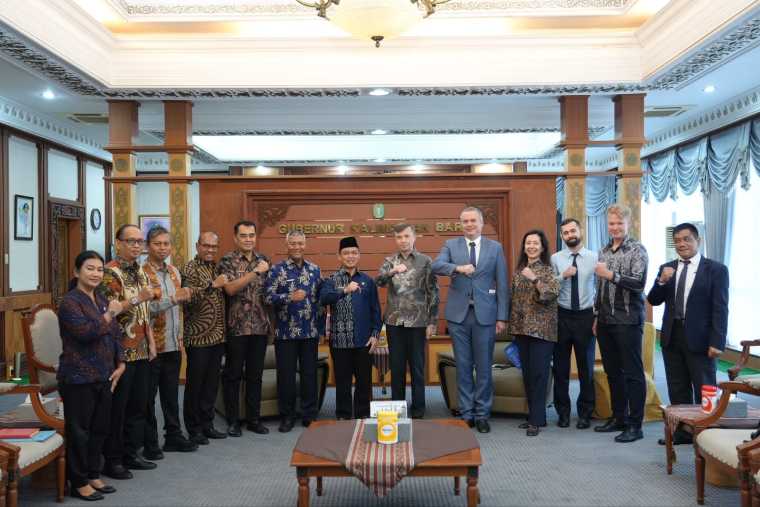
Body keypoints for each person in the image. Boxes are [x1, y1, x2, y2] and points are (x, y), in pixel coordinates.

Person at [647, 222, 729, 445]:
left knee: (705, 388)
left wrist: (717, 341)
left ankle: (706, 433)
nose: (681, 244)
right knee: (677, 386)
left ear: (697, 240)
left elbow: (720, 308)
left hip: (701, 339)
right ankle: (683, 431)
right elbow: (653, 299)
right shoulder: (667, 267)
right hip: (672, 336)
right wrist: (661, 281)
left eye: (686, 239)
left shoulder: (716, 270)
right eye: (677, 241)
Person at [432, 206, 509, 433]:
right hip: (459, 317)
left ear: (481, 223)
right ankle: (467, 413)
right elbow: (436, 266)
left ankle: (482, 413)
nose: (469, 225)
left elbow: (502, 284)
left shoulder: (495, 248)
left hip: (486, 316)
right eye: (465, 221)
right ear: (461, 224)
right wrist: (458, 268)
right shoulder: (451, 245)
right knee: (463, 367)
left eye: (473, 220)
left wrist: (502, 317)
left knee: (484, 367)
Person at [58, 250, 125, 500]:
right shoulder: (69, 302)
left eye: (99, 269)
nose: (96, 274)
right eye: (90, 268)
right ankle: (78, 481)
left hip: (104, 373)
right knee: (79, 431)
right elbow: (86, 333)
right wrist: (109, 314)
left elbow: (115, 332)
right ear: (77, 272)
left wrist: (121, 362)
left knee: (100, 428)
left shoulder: (101, 298)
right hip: (78, 376)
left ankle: (93, 474)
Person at [99, 224, 157, 479]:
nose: (136, 245)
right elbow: (107, 312)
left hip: (142, 349)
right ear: (118, 243)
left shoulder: (140, 271)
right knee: (118, 409)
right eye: (131, 241)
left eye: (139, 241)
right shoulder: (109, 273)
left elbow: (145, 312)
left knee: (138, 406)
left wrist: (152, 341)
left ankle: (132, 454)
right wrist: (136, 298)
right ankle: (113, 460)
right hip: (119, 352)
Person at [593, 203, 649, 443]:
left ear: (628, 223)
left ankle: (636, 425)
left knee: (633, 374)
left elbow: (638, 283)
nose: (615, 227)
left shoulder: (638, 250)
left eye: (619, 223)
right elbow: (599, 287)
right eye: (611, 223)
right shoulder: (603, 251)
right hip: (605, 320)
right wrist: (596, 315)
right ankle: (619, 418)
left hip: (628, 320)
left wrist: (611, 275)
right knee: (613, 372)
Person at [142, 226, 197, 457]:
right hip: (150, 346)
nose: (162, 248)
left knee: (171, 395)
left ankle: (174, 436)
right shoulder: (141, 273)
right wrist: (173, 299)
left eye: (166, 244)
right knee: (147, 398)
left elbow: (178, 308)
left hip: (173, 343)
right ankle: (150, 443)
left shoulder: (174, 271)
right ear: (148, 246)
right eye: (157, 244)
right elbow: (144, 309)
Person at [376, 223, 439, 419]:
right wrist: (392, 272)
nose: (403, 240)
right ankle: (398, 408)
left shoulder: (425, 261)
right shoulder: (390, 261)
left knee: (417, 367)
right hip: (394, 322)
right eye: (399, 237)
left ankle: (419, 408)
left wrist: (432, 321)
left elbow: (433, 292)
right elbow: (378, 281)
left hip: (418, 323)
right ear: (395, 239)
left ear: (414, 237)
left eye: (406, 236)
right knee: (396, 368)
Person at [264, 231, 324, 432]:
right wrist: (289, 297)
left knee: (309, 375)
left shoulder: (315, 270)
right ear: (287, 245)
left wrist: (321, 329)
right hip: (285, 334)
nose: (297, 247)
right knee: (286, 376)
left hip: (309, 332)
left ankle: (309, 414)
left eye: (300, 243)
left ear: (305, 245)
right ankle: (287, 416)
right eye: (293, 243)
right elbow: (267, 297)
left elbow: (321, 301)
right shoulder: (277, 270)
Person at [218, 220, 272, 437]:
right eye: (243, 235)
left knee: (255, 376)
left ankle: (253, 419)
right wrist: (255, 273)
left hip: (260, 327)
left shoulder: (264, 260)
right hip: (236, 328)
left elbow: (269, 293)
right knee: (233, 375)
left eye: (251, 235)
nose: (248, 239)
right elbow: (230, 289)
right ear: (235, 238)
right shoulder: (227, 261)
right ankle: (233, 421)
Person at [320, 236, 382, 420]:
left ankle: (363, 415)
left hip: (364, 341)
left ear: (359, 255)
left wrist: (375, 334)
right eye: (346, 253)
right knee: (342, 382)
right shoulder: (331, 280)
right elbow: (324, 299)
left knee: (364, 382)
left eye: (354, 252)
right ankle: (343, 416)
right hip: (340, 341)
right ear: (339, 256)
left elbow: (376, 310)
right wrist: (345, 290)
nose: (350, 256)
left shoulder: (368, 281)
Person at [509, 230, 560, 436]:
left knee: (539, 375)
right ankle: (536, 416)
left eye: (535, 243)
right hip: (521, 330)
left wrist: (534, 279)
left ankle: (536, 420)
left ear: (542, 247)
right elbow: (514, 300)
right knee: (528, 375)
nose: (531, 246)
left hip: (542, 332)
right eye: (528, 243)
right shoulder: (518, 271)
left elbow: (550, 294)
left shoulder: (548, 270)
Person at [181, 232, 229, 446]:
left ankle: (207, 424)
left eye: (214, 246)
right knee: (195, 385)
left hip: (217, 336)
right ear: (197, 245)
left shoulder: (217, 267)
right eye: (206, 245)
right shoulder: (189, 269)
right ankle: (194, 429)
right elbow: (187, 299)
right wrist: (213, 285)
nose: (210, 250)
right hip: (198, 337)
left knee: (211, 385)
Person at [550, 218, 597, 430]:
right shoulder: (556, 258)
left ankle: (585, 413)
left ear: (580, 231)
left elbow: (600, 288)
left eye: (573, 231)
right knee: (561, 369)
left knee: (586, 368)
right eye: (566, 232)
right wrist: (563, 275)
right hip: (562, 315)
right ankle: (563, 413)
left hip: (586, 317)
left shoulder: (594, 257)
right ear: (562, 236)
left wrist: (597, 316)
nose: (570, 235)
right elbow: (550, 285)